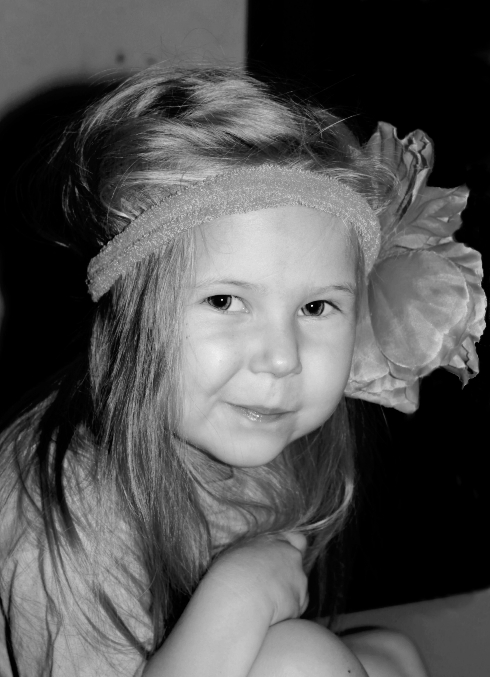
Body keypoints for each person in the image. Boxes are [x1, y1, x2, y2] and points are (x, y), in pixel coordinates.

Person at [0, 66, 485, 677]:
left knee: (390, 656)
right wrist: (238, 599)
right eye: (225, 301)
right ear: (125, 314)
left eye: (316, 307)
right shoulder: (64, 508)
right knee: (300, 663)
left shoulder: (242, 437)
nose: (282, 358)